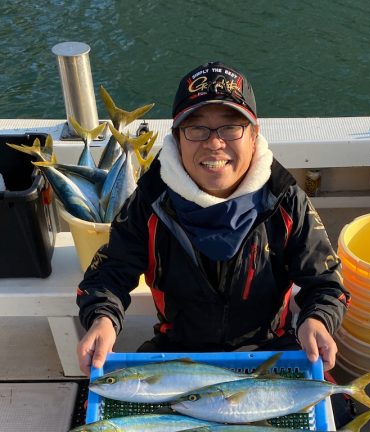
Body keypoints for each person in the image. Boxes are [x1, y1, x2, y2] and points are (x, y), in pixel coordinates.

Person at [76, 61, 350, 379]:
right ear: (177, 138)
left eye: (231, 127)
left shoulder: (285, 200)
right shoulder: (149, 201)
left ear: (254, 134)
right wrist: (102, 319)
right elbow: (109, 273)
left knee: (337, 414)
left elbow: (327, 285)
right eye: (196, 128)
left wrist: (316, 320)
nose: (214, 142)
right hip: (176, 351)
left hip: (269, 352)